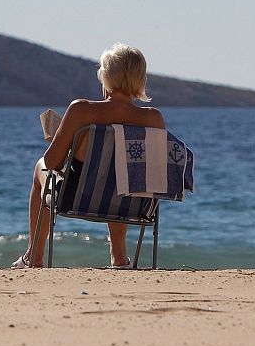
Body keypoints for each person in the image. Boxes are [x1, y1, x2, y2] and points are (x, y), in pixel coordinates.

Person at [12, 43, 165, 269]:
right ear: (140, 78)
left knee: (40, 166)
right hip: (131, 203)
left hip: (77, 198)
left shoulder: (81, 110)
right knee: (121, 177)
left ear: (106, 77)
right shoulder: (153, 119)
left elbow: (53, 163)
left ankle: (33, 257)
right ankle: (120, 257)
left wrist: (63, 140)